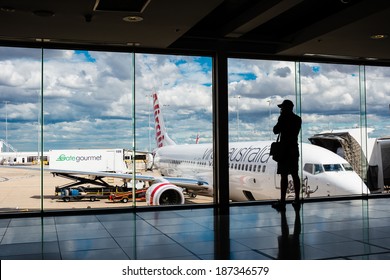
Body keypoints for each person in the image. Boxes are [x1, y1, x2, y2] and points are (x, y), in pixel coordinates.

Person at [272, 99, 302, 211]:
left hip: (284, 150)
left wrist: (281, 118)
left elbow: (275, 130)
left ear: (286, 108)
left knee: (284, 176)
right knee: (295, 175)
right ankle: (297, 199)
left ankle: (283, 201)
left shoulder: (283, 118)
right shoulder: (298, 119)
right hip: (294, 149)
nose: (281, 109)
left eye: (282, 108)